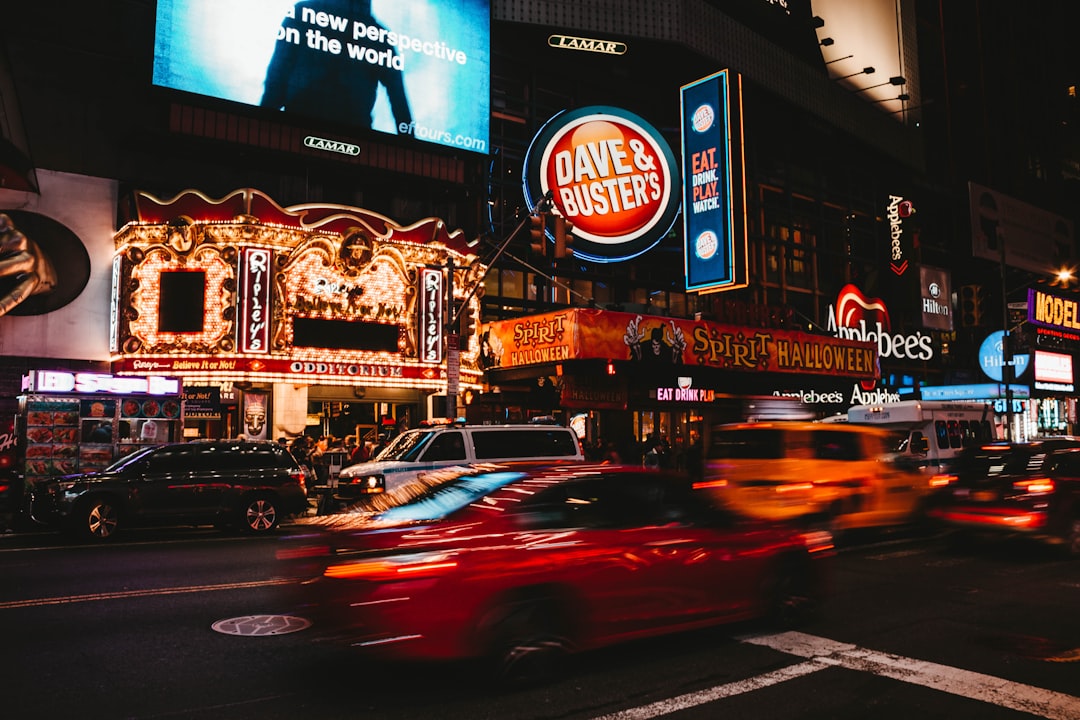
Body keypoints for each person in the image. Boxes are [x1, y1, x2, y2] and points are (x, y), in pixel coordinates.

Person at [261, 0, 412, 132]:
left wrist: (261, 125)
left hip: (300, 126)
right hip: (353, 135)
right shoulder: (379, 35)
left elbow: (278, 75)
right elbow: (398, 99)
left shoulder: (302, 13)